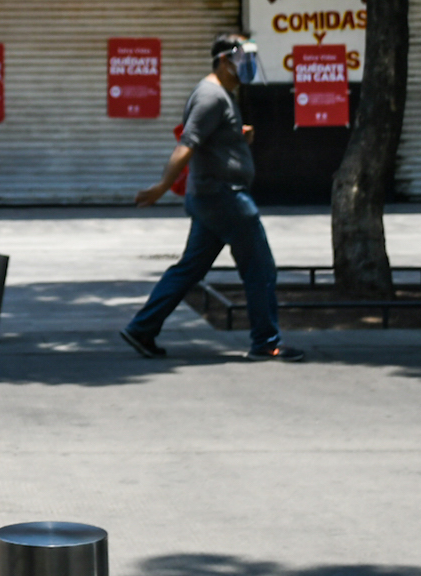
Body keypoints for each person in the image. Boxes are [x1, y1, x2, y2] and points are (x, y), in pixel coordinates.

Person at [121, 34, 305, 363]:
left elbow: (210, 141)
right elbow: (187, 144)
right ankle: (266, 341)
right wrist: (163, 186)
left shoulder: (221, 95)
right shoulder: (211, 96)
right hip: (225, 198)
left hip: (212, 197)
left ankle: (142, 328)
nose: (247, 67)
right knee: (261, 269)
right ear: (224, 61)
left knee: (189, 269)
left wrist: (237, 138)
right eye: (242, 60)